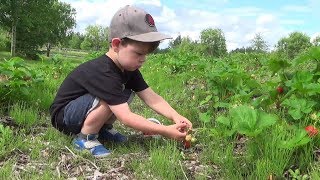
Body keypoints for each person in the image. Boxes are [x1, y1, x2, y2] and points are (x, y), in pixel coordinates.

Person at [49, 5, 192, 158]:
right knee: (112, 97)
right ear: (117, 45)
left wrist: (176, 116)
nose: (143, 59)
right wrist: (165, 130)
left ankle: (102, 129)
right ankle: (85, 139)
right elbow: (126, 117)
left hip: (81, 110)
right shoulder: (104, 71)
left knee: (125, 93)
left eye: (146, 54)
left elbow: (152, 97)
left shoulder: (128, 68)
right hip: (65, 117)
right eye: (138, 53)